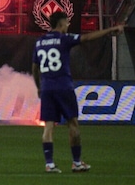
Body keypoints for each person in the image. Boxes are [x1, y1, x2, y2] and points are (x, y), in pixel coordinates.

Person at [32, 11, 124, 173]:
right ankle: (76, 162)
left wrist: (39, 86)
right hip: (63, 87)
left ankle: (49, 164)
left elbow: (34, 67)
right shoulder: (64, 39)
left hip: (47, 88)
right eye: (67, 23)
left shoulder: (39, 42)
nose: (68, 25)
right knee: (73, 124)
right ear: (61, 24)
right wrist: (110, 30)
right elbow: (87, 38)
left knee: (48, 127)